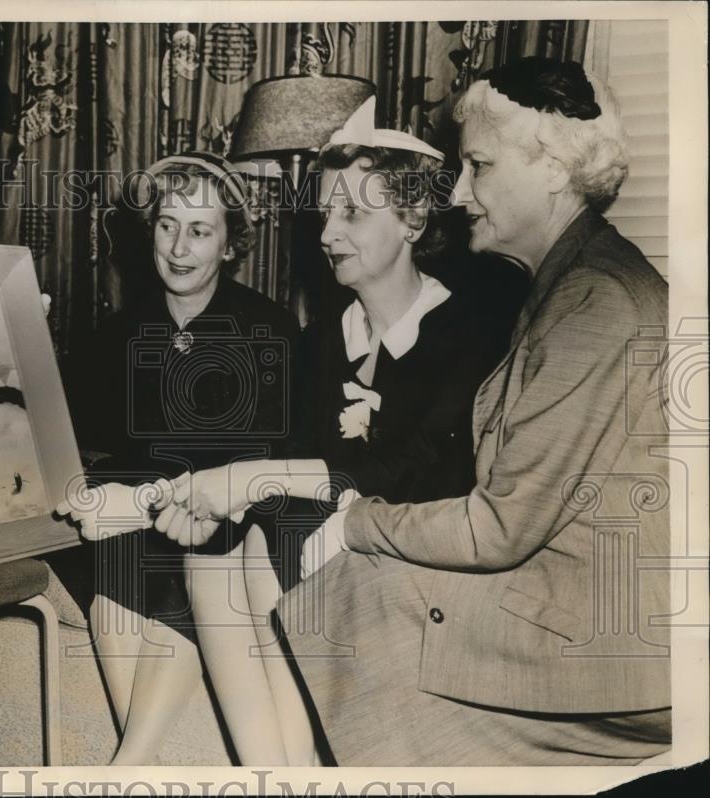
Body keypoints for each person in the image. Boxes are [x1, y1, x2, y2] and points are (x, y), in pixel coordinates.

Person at [170, 56, 671, 765]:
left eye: (479, 166)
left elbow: (489, 521)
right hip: (556, 579)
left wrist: (343, 521)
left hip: (594, 636)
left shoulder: (589, 300)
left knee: (341, 581)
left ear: (555, 169)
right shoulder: (569, 284)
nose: (460, 192)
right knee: (248, 551)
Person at [152, 111, 527, 764]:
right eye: (325, 214)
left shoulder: (470, 329)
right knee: (212, 553)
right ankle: (272, 770)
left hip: (419, 554)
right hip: (323, 543)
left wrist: (254, 484)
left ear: (413, 221)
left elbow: (417, 468)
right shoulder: (328, 338)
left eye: (352, 214)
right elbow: (293, 453)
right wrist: (221, 495)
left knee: (272, 537)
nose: (328, 234)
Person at [59, 152, 299, 764]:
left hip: (231, 513)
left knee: (198, 542)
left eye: (200, 231)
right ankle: (140, 766)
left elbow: (248, 465)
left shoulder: (263, 328)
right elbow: (90, 436)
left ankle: (127, 767)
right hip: (143, 514)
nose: (180, 247)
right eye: (168, 225)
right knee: (114, 557)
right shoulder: (121, 331)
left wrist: (139, 501)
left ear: (229, 245)